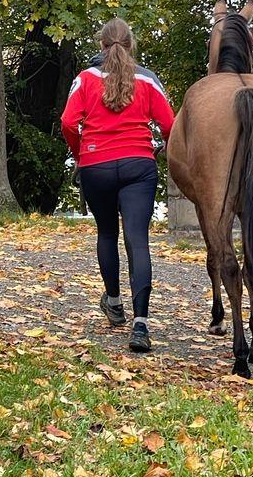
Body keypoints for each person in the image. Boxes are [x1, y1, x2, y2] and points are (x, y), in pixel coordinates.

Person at [60, 18, 175, 352]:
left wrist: (79, 150)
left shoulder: (84, 79)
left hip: (96, 164)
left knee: (107, 233)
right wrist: (164, 144)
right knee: (138, 240)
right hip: (139, 164)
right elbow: (170, 123)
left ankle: (113, 301)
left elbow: (68, 122)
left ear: (101, 45)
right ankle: (141, 325)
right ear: (131, 44)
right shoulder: (147, 80)